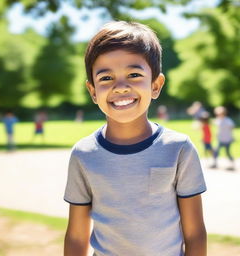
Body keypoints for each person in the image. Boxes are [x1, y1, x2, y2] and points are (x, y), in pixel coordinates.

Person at [64, 21, 207, 256]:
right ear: (92, 91)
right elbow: (77, 237)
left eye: (133, 74)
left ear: (156, 85)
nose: (121, 87)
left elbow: (194, 234)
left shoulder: (179, 149)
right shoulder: (84, 154)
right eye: (106, 78)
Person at [211, 106, 235, 170]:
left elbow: (232, 127)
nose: (218, 115)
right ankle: (215, 163)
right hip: (220, 139)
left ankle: (232, 163)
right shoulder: (218, 120)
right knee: (216, 151)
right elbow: (215, 124)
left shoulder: (228, 120)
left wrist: (232, 136)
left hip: (227, 139)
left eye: (219, 114)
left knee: (227, 152)